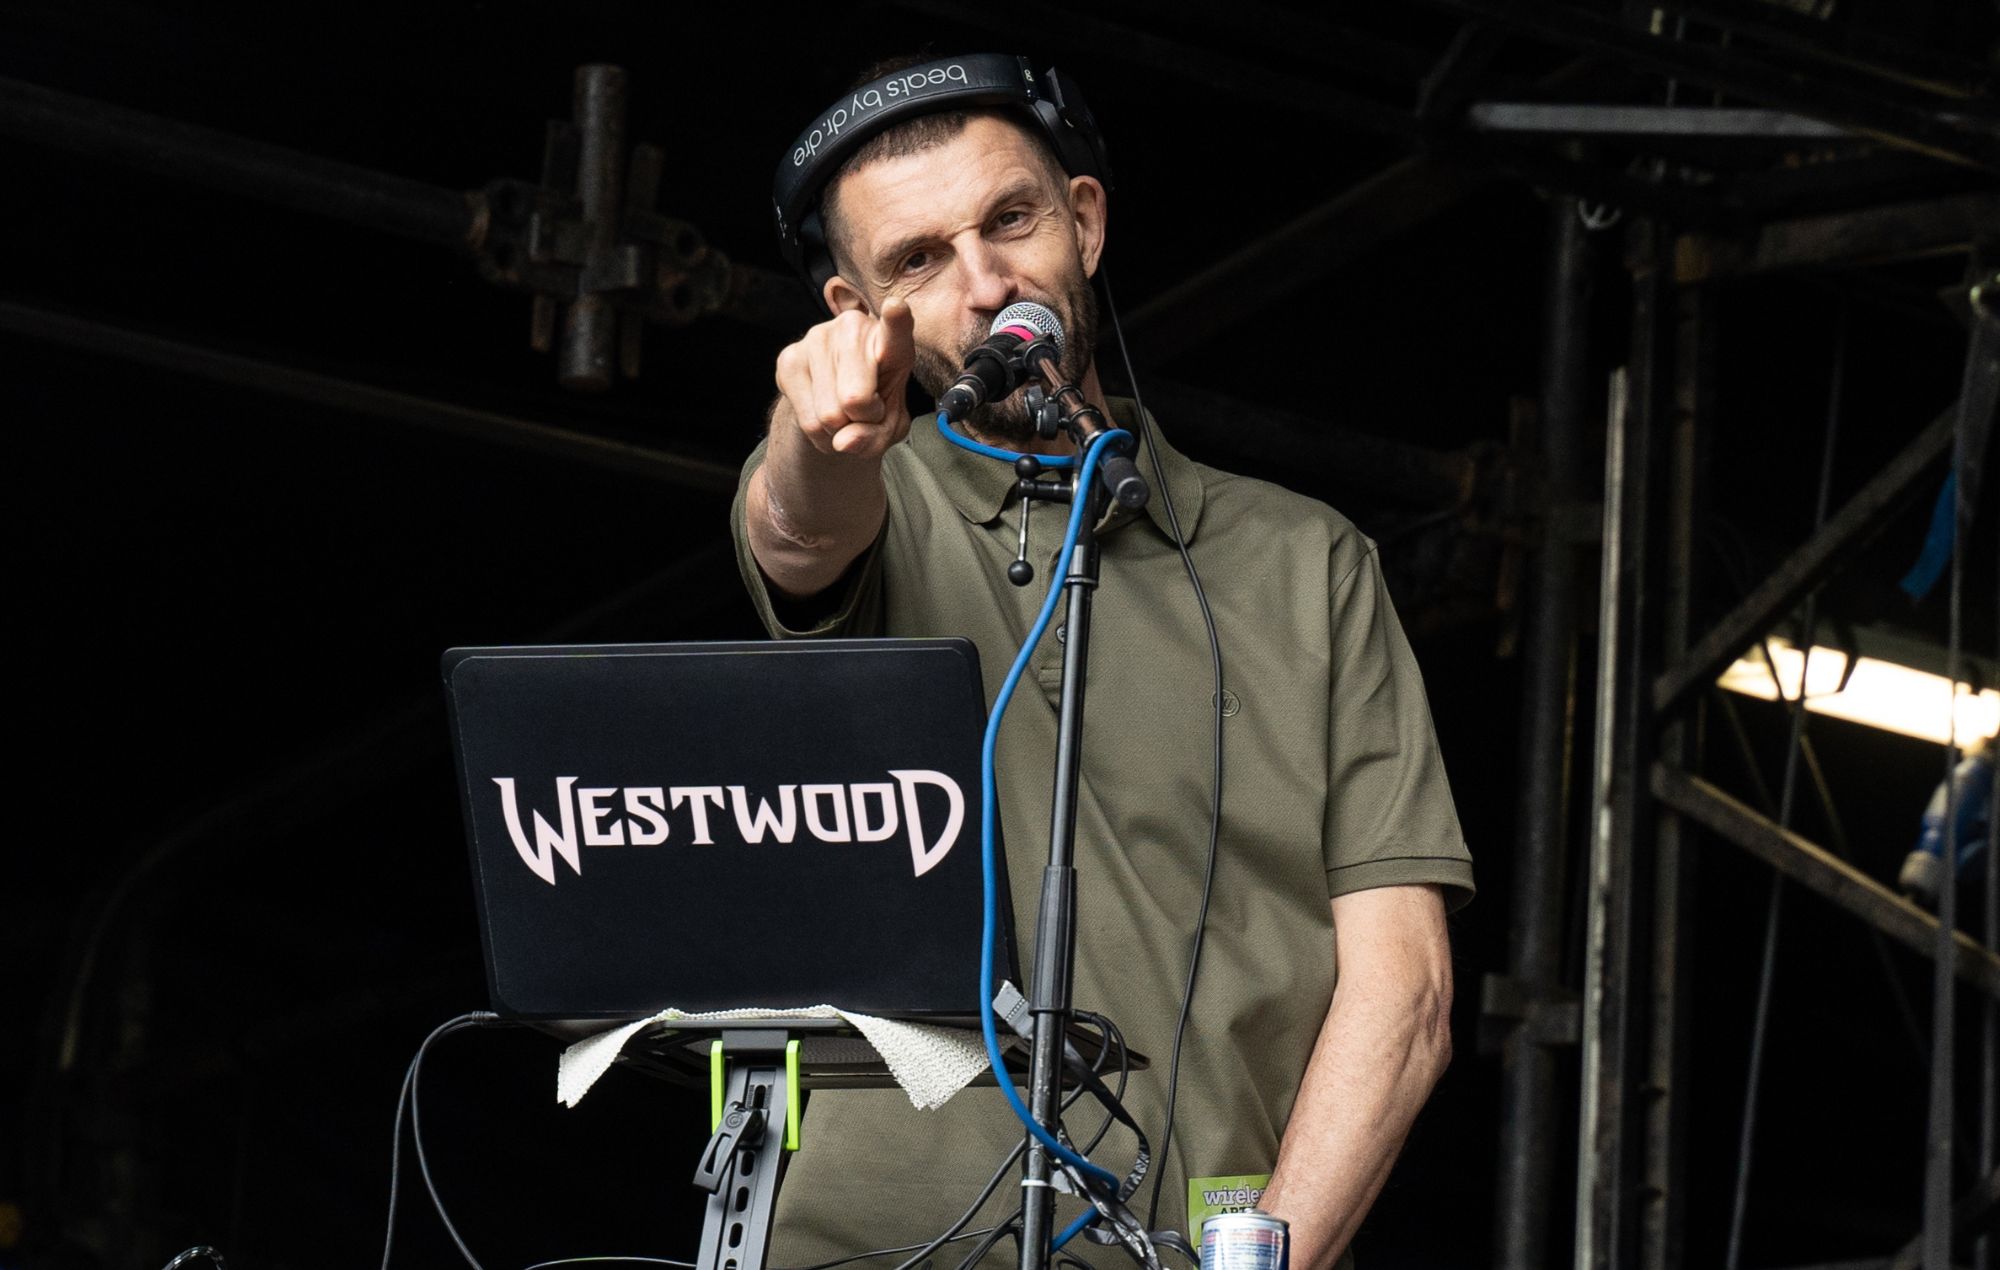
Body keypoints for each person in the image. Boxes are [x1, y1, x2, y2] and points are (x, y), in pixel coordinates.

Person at [730, 54, 1474, 1270]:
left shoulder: (1306, 562)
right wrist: (811, 431)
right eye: (915, 261)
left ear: (1082, 219)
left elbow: (1406, 993)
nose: (980, 282)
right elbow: (795, 526)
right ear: (855, 312)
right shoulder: (879, 505)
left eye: (1009, 220)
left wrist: (1265, 1261)